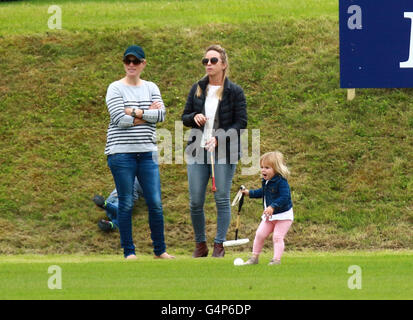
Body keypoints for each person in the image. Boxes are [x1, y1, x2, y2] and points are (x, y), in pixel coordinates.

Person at [104, 44, 174, 260]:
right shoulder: (115, 88)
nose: (131, 65)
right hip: (121, 153)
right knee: (125, 202)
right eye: (128, 61)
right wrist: (146, 115)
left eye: (136, 61)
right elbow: (119, 119)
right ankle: (129, 252)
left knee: (155, 202)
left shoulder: (151, 87)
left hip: (147, 153)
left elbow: (161, 115)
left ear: (143, 63)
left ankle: (160, 251)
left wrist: (134, 111)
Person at [181, 44, 247, 258]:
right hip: (197, 149)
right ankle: (201, 244)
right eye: (205, 61)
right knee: (196, 201)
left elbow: (241, 122)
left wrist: (219, 137)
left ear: (224, 64)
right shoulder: (198, 88)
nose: (208, 64)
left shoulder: (234, 91)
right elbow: (185, 117)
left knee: (221, 197)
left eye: (213, 60)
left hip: (224, 150)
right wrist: (194, 117)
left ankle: (219, 244)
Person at [241, 151, 293, 265]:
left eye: (267, 168)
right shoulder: (266, 181)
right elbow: (262, 192)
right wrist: (249, 193)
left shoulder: (281, 182)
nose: (263, 170)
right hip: (270, 215)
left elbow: (285, 197)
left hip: (283, 216)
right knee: (260, 234)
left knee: (277, 237)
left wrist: (272, 206)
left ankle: (276, 260)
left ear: (276, 168)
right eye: (262, 167)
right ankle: (254, 258)